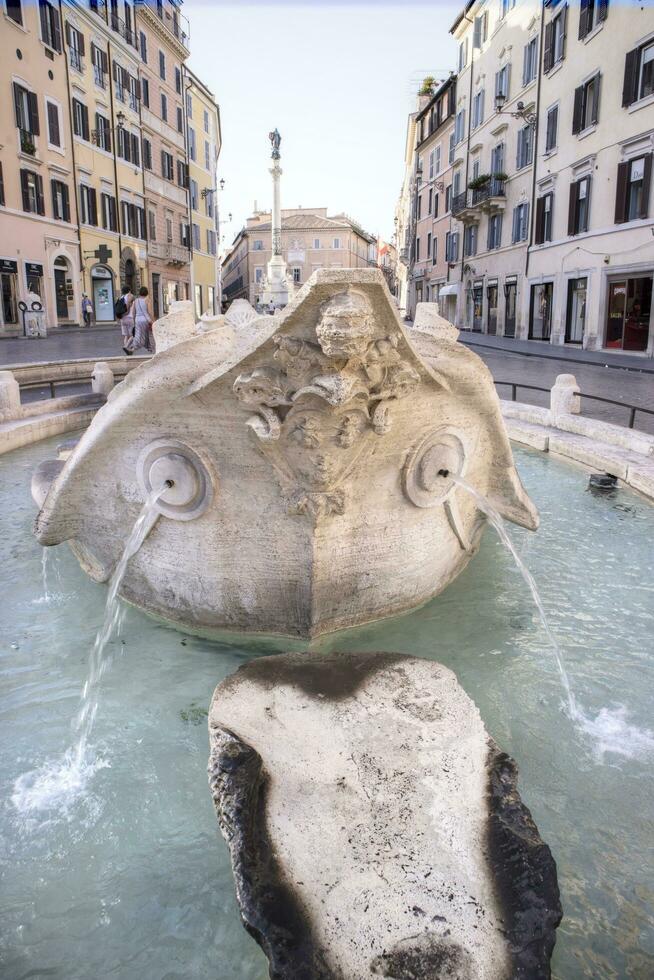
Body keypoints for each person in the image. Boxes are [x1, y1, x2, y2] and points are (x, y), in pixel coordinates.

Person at [125, 286, 154, 354]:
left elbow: (133, 312)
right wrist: (153, 319)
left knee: (140, 335)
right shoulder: (147, 300)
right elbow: (149, 312)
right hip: (145, 320)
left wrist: (134, 320)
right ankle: (133, 348)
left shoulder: (136, 300)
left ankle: (148, 348)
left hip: (138, 320)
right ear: (146, 292)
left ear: (140, 293)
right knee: (146, 335)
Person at [116, 286, 134, 354]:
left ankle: (127, 350)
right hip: (129, 318)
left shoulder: (121, 297)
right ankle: (126, 347)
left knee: (126, 335)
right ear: (129, 290)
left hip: (122, 319)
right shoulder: (129, 295)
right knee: (134, 335)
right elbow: (128, 304)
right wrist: (127, 312)